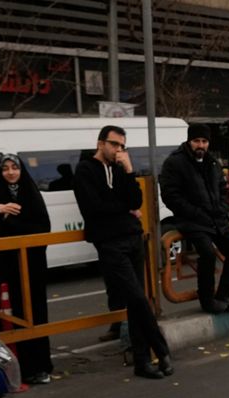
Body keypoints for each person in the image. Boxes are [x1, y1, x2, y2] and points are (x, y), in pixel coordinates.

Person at [73, 125, 172, 379]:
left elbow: (135, 201)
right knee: (137, 298)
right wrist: (124, 208)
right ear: (100, 143)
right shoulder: (85, 170)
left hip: (133, 238)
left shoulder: (119, 169)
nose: (119, 150)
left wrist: (129, 170)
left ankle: (142, 361)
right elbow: (94, 208)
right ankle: (162, 350)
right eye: (114, 144)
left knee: (136, 302)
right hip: (110, 242)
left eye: (122, 146)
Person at [0, 153, 54, 384]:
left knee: (34, 314)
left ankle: (38, 367)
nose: (10, 172)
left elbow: (42, 228)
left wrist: (9, 220)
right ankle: (6, 370)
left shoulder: (31, 194)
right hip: (0, 269)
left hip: (30, 266)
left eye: (14, 168)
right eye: (5, 168)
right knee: (4, 318)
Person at [159, 123, 229, 314]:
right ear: (189, 141)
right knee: (207, 254)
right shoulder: (175, 163)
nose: (201, 145)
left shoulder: (212, 162)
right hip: (192, 221)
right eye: (197, 141)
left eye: (204, 141)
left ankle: (223, 295)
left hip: (217, 220)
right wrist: (195, 213)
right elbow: (170, 196)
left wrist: (222, 209)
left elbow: (223, 190)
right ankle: (207, 300)